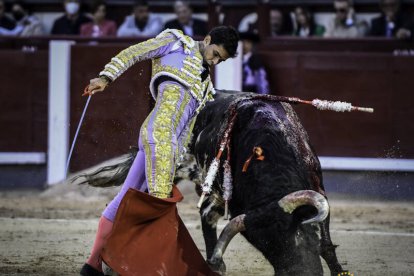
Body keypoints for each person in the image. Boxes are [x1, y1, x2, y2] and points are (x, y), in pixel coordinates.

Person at [79, 26, 239, 276]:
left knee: (127, 198)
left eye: (221, 60)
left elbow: (187, 127)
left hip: (166, 145)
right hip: (159, 137)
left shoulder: (205, 84)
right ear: (207, 40)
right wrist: (106, 77)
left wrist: (180, 155)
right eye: (215, 54)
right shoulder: (176, 43)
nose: (215, 61)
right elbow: (135, 52)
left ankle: (93, 264)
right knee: (157, 209)